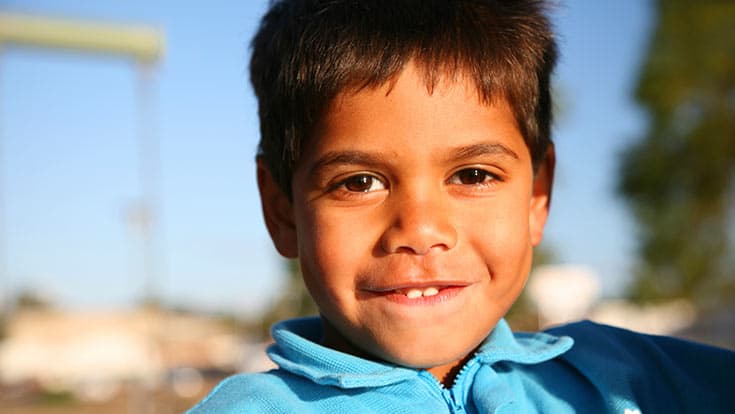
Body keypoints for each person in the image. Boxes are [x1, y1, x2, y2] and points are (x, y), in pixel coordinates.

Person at [188, 0, 735, 412]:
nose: (421, 230)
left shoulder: (629, 378)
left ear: (536, 197)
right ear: (281, 209)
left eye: (473, 175)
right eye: (358, 182)